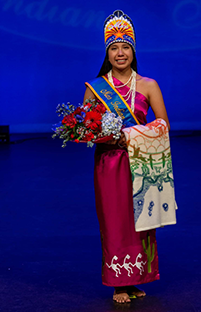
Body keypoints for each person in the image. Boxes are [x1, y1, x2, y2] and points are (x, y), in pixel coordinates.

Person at [83, 10, 170, 304]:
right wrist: (97, 134)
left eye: (125, 47)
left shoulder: (148, 85)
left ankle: (138, 278)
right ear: (107, 53)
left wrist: (131, 135)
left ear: (133, 50)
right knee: (115, 219)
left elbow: (163, 125)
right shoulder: (96, 89)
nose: (120, 53)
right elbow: (86, 128)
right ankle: (119, 283)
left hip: (142, 162)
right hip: (110, 164)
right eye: (114, 48)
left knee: (141, 221)